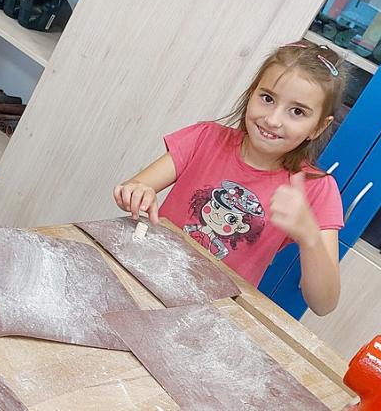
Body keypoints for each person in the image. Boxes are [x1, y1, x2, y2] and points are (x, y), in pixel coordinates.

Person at [113, 41, 347, 315]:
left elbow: (323, 304)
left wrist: (310, 238)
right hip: (144, 281)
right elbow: (133, 188)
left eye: (297, 112)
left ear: (318, 127)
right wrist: (137, 192)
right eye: (267, 98)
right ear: (251, 93)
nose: (273, 120)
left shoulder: (316, 189)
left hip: (211, 313)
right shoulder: (205, 138)